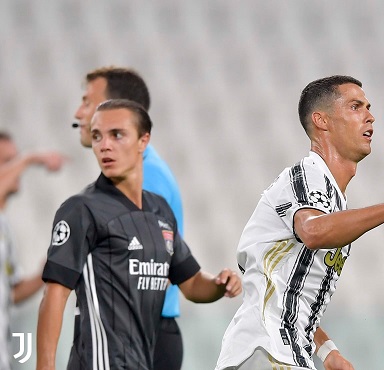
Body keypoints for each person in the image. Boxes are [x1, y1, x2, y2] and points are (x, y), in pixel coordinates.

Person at [215, 75, 384, 370]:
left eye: (368, 107)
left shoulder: (332, 202)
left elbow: (289, 296)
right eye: (355, 107)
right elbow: (313, 232)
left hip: (282, 352)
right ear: (322, 121)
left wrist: (327, 352)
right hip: (266, 350)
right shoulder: (306, 175)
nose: (370, 116)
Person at [36, 99, 242, 370]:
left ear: (143, 141)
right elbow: (55, 294)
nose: (104, 145)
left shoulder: (159, 209)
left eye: (117, 135)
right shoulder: (81, 209)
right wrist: (45, 366)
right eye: (97, 136)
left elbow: (191, 284)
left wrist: (220, 284)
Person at [73, 66, 186, 369]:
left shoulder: (147, 178)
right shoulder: (126, 177)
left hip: (144, 332)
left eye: (87, 102)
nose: (78, 113)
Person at [0, 132, 65, 369]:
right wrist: (30, 159)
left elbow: (12, 293)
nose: (17, 169)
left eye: (15, 160)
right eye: (7, 161)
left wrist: (44, 273)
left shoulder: (4, 226)